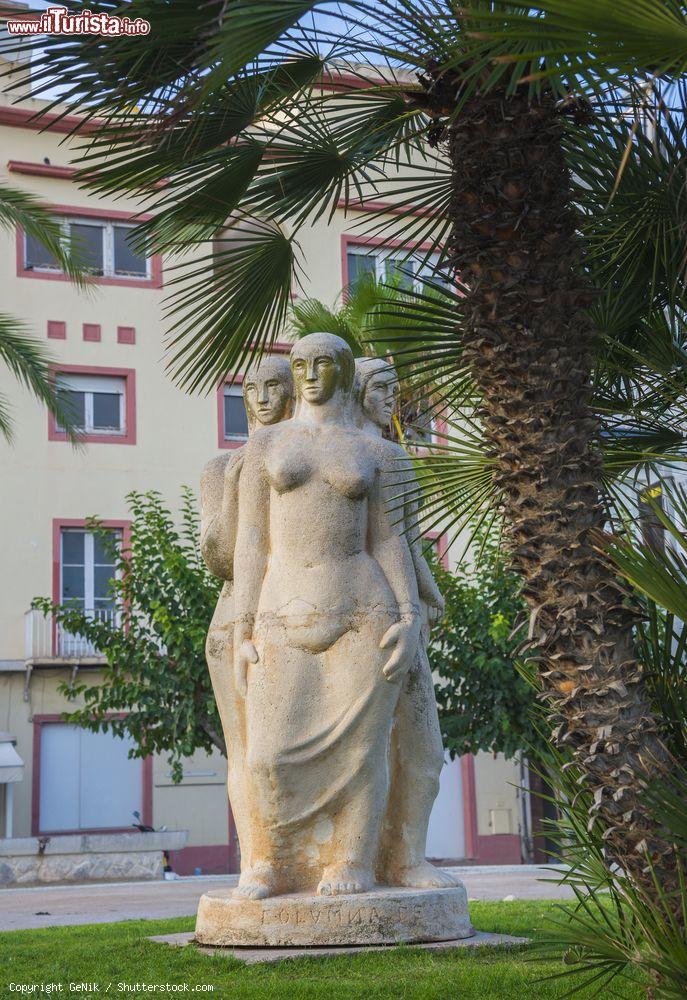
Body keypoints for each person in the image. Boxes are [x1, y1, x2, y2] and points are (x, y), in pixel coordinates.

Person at [232, 333, 421, 898]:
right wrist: (243, 624)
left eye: (323, 364)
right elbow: (250, 540)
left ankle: (352, 862)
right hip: (281, 609)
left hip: (364, 607)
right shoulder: (265, 447)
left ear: (343, 371)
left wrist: (409, 615)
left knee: (362, 752)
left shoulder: (378, 452)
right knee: (265, 751)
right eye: (300, 365)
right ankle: (267, 864)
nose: (311, 374)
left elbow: (391, 542)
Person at [354, 357, 457, 888]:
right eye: (383, 387)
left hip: (400, 610)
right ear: (358, 390)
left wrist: (428, 593)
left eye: (396, 388)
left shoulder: (391, 457)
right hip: (377, 611)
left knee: (422, 749)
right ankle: (383, 860)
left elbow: (405, 541)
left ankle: (406, 856)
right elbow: (390, 542)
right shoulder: (373, 456)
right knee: (392, 748)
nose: (393, 397)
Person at [200, 356, 294, 883]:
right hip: (237, 611)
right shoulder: (223, 468)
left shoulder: (311, 457)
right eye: (251, 387)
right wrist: (242, 488)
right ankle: (259, 860)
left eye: (273, 385)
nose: (261, 396)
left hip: (300, 607)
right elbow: (216, 555)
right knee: (247, 750)